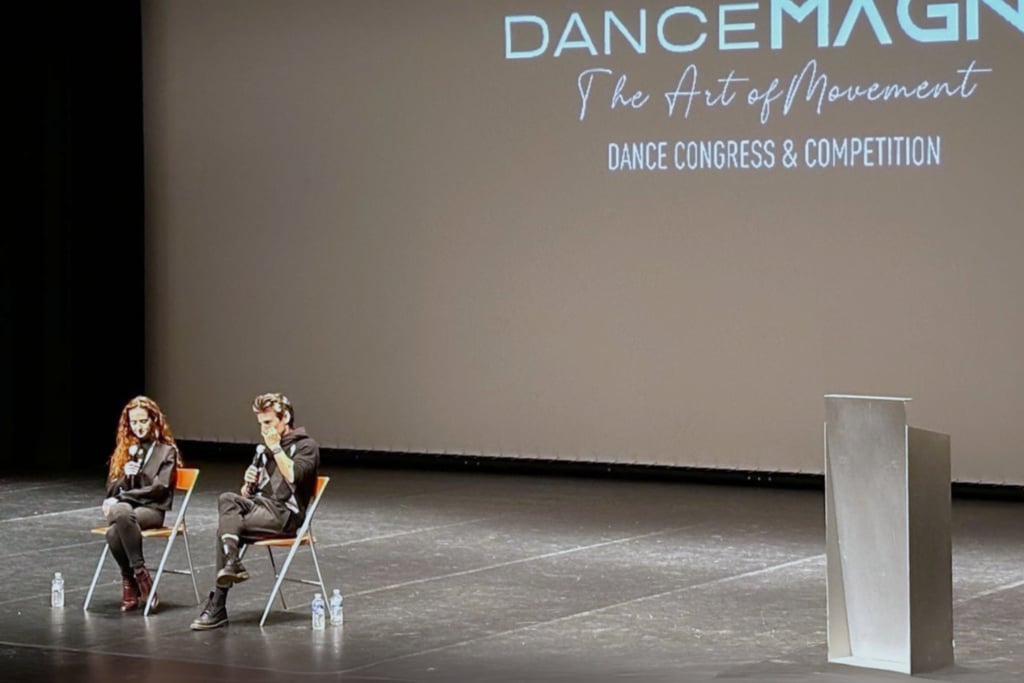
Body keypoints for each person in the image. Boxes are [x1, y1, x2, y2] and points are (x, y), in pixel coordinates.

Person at [191, 392, 320, 630]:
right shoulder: (263, 450)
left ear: (285, 418)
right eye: (261, 424)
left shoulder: (306, 446)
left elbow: (293, 476)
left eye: (268, 422)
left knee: (226, 530)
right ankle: (232, 562)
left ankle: (218, 603)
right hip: (260, 508)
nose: (264, 429)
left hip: (285, 515)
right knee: (227, 499)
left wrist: (276, 448)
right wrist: (248, 484)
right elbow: (249, 494)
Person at [102, 396, 181, 612]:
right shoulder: (126, 449)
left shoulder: (166, 451)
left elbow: (159, 489)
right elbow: (110, 488)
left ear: (154, 421)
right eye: (134, 422)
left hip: (152, 510)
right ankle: (138, 576)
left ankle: (133, 578)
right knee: (114, 530)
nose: (139, 427)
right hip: (128, 512)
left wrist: (124, 496)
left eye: (143, 421)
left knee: (118, 514)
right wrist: (124, 478)